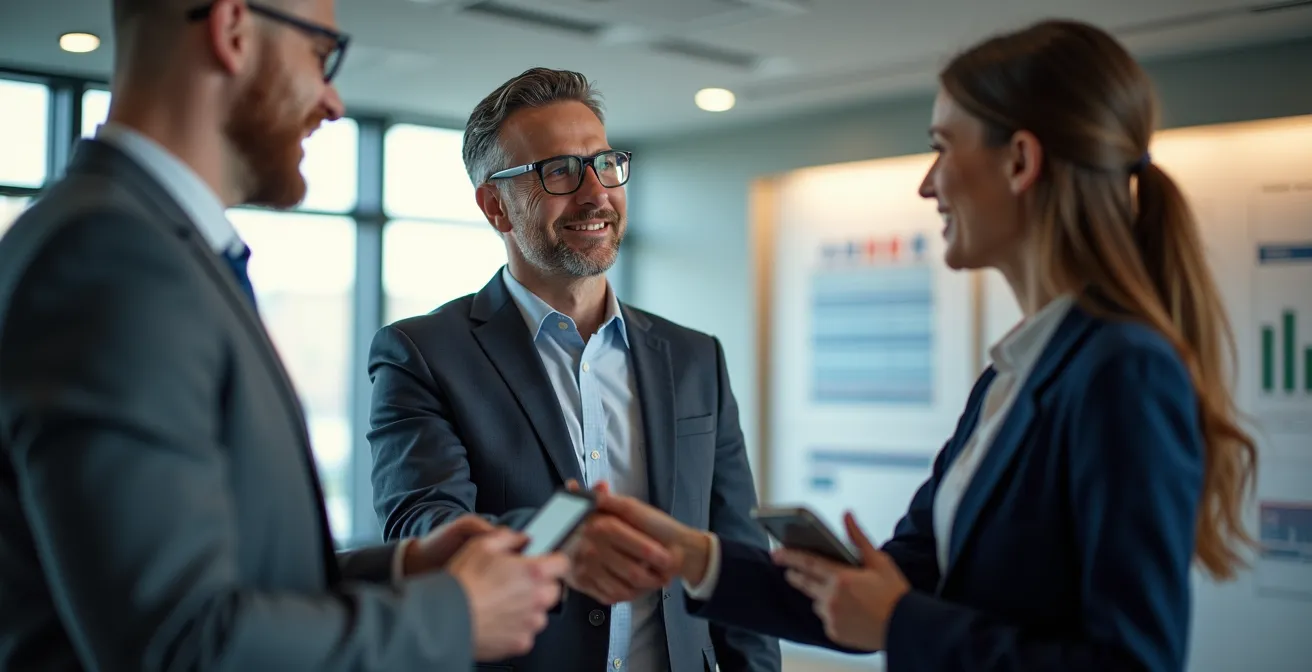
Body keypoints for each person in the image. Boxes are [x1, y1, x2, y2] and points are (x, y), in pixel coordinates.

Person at [586, 18, 1259, 672]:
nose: (928, 183)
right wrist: (693, 557)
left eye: (943, 146)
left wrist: (899, 621)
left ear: (1021, 161)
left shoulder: (1122, 371)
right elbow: (896, 582)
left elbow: (1132, 660)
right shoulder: (1011, 376)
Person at [0, 1, 568, 669]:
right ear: (232, 30)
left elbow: (216, 580)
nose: (332, 102)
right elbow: (181, 644)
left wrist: (405, 568)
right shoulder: (113, 257)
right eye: (319, 55)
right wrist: (456, 615)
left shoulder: (149, 245)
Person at [366, 67, 780, 672]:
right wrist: (559, 539)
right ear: (495, 206)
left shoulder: (694, 358)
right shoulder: (422, 354)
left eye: (604, 164)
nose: (595, 194)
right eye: (558, 171)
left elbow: (737, 550)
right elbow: (425, 527)